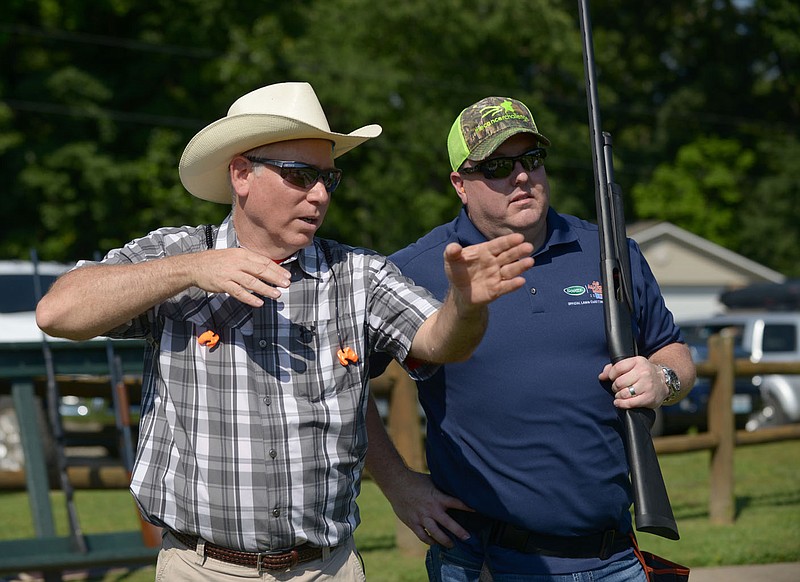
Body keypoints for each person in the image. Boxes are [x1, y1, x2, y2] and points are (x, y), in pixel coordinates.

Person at [35, 82, 535, 581]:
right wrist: (189, 271)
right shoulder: (181, 254)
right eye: (299, 176)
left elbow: (438, 342)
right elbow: (57, 313)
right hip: (200, 567)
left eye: (327, 178)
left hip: (327, 568)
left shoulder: (357, 272)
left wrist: (466, 305)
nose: (319, 195)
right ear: (241, 175)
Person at [366, 95, 696, 581]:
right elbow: (340, 383)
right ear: (460, 184)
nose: (520, 176)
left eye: (531, 159)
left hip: (615, 556)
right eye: (497, 166)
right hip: (484, 560)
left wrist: (662, 377)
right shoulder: (417, 269)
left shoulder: (608, 249)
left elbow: (674, 352)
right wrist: (397, 485)